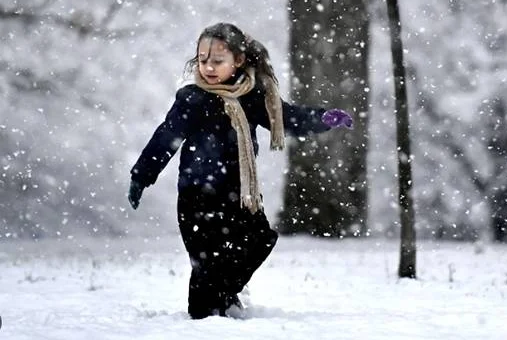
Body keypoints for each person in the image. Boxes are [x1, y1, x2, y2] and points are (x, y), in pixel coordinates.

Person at [127, 22, 353, 319]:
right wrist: (141, 176)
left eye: (217, 61)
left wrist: (322, 118)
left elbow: (286, 118)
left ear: (239, 60)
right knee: (206, 264)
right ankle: (208, 315)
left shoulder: (253, 98)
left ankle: (220, 299)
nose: (208, 67)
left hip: (239, 194)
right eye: (203, 60)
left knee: (259, 240)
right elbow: (165, 137)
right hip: (198, 197)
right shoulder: (192, 99)